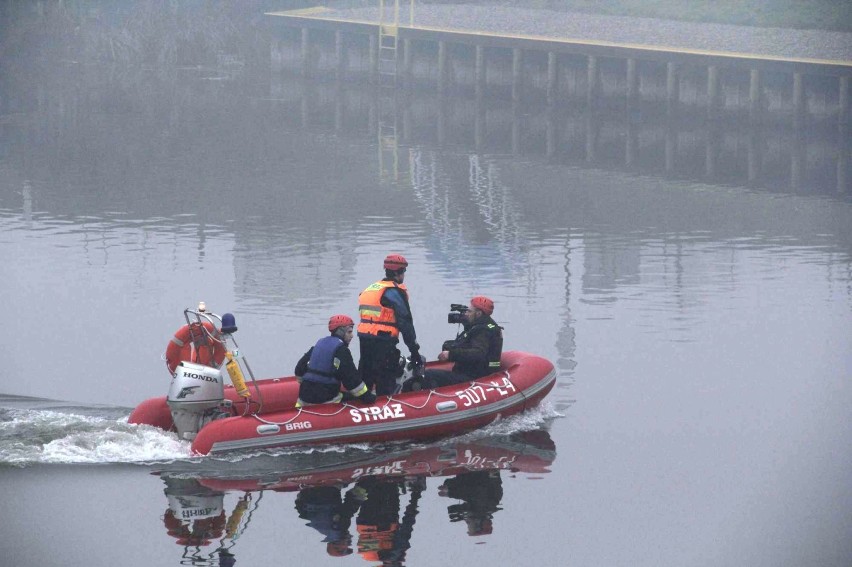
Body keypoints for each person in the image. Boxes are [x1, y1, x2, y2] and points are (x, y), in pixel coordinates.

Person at [404, 295, 502, 391]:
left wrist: (451, 354)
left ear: (479, 313)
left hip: (475, 376)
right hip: (470, 371)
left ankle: (422, 399)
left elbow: (478, 353)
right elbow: (468, 345)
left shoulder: (483, 331)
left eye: (469, 311)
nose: (466, 314)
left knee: (428, 375)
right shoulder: (480, 326)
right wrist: (450, 347)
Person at [357, 254, 421, 396]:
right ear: (398, 273)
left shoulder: (371, 288)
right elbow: (405, 322)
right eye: (403, 271)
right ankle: (385, 409)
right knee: (385, 378)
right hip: (383, 341)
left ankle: (361, 407)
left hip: (365, 339)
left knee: (366, 375)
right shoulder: (393, 291)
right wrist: (414, 351)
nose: (404, 275)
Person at [295, 314, 376, 408]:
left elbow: (299, 370)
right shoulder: (341, 350)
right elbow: (352, 381)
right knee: (356, 399)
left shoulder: (319, 344)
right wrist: (369, 398)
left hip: (303, 397)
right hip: (325, 399)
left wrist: (310, 384)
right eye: (349, 332)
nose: (352, 336)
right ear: (341, 332)